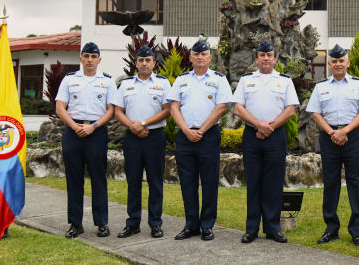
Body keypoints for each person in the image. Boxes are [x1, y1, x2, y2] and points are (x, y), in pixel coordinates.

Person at [231, 40, 299, 244]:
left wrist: (269, 127)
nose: (266, 58)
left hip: (276, 136)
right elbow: (238, 108)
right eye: (262, 55)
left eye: (269, 55)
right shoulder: (245, 80)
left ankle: (272, 228)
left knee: (274, 183)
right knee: (253, 182)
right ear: (256, 59)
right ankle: (251, 229)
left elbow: (290, 109)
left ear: (275, 59)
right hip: (252, 135)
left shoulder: (285, 81)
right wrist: (259, 125)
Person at [307, 44, 359, 247]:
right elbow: (315, 114)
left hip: (352, 137)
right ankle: (331, 228)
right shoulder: (321, 86)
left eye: (341, 60)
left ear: (348, 62)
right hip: (329, 137)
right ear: (329, 64)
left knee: (356, 183)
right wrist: (332, 133)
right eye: (334, 61)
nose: (338, 64)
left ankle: (356, 230)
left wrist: (344, 132)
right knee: (331, 183)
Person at [167, 40, 232, 241]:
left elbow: (221, 107)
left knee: (210, 182)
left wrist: (201, 130)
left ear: (210, 57)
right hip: (185, 136)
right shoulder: (181, 80)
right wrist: (186, 130)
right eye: (196, 54)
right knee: (187, 182)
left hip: (208, 135)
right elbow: (174, 107)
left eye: (204, 54)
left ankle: (207, 225)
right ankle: (191, 225)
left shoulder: (219, 80)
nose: (200, 57)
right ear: (191, 57)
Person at [55, 42, 117, 239]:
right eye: (86, 56)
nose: (90, 60)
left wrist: (93, 127)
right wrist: (75, 127)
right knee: (73, 179)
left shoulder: (107, 81)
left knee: (99, 179)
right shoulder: (69, 80)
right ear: (81, 58)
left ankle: (102, 223)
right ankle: (75, 223)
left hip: (96, 132)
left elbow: (112, 110)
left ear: (99, 60)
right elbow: (60, 108)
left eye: (94, 56)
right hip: (73, 132)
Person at [113, 45, 171, 239]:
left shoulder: (163, 83)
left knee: (155, 182)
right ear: (135, 63)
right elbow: (117, 111)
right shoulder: (126, 84)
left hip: (155, 137)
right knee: (133, 181)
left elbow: (167, 110)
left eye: (148, 60)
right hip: (132, 137)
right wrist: (133, 127)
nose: (144, 63)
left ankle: (155, 223)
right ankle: (133, 223)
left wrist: (143, 124)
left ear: (154, 63)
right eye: (141, 60)